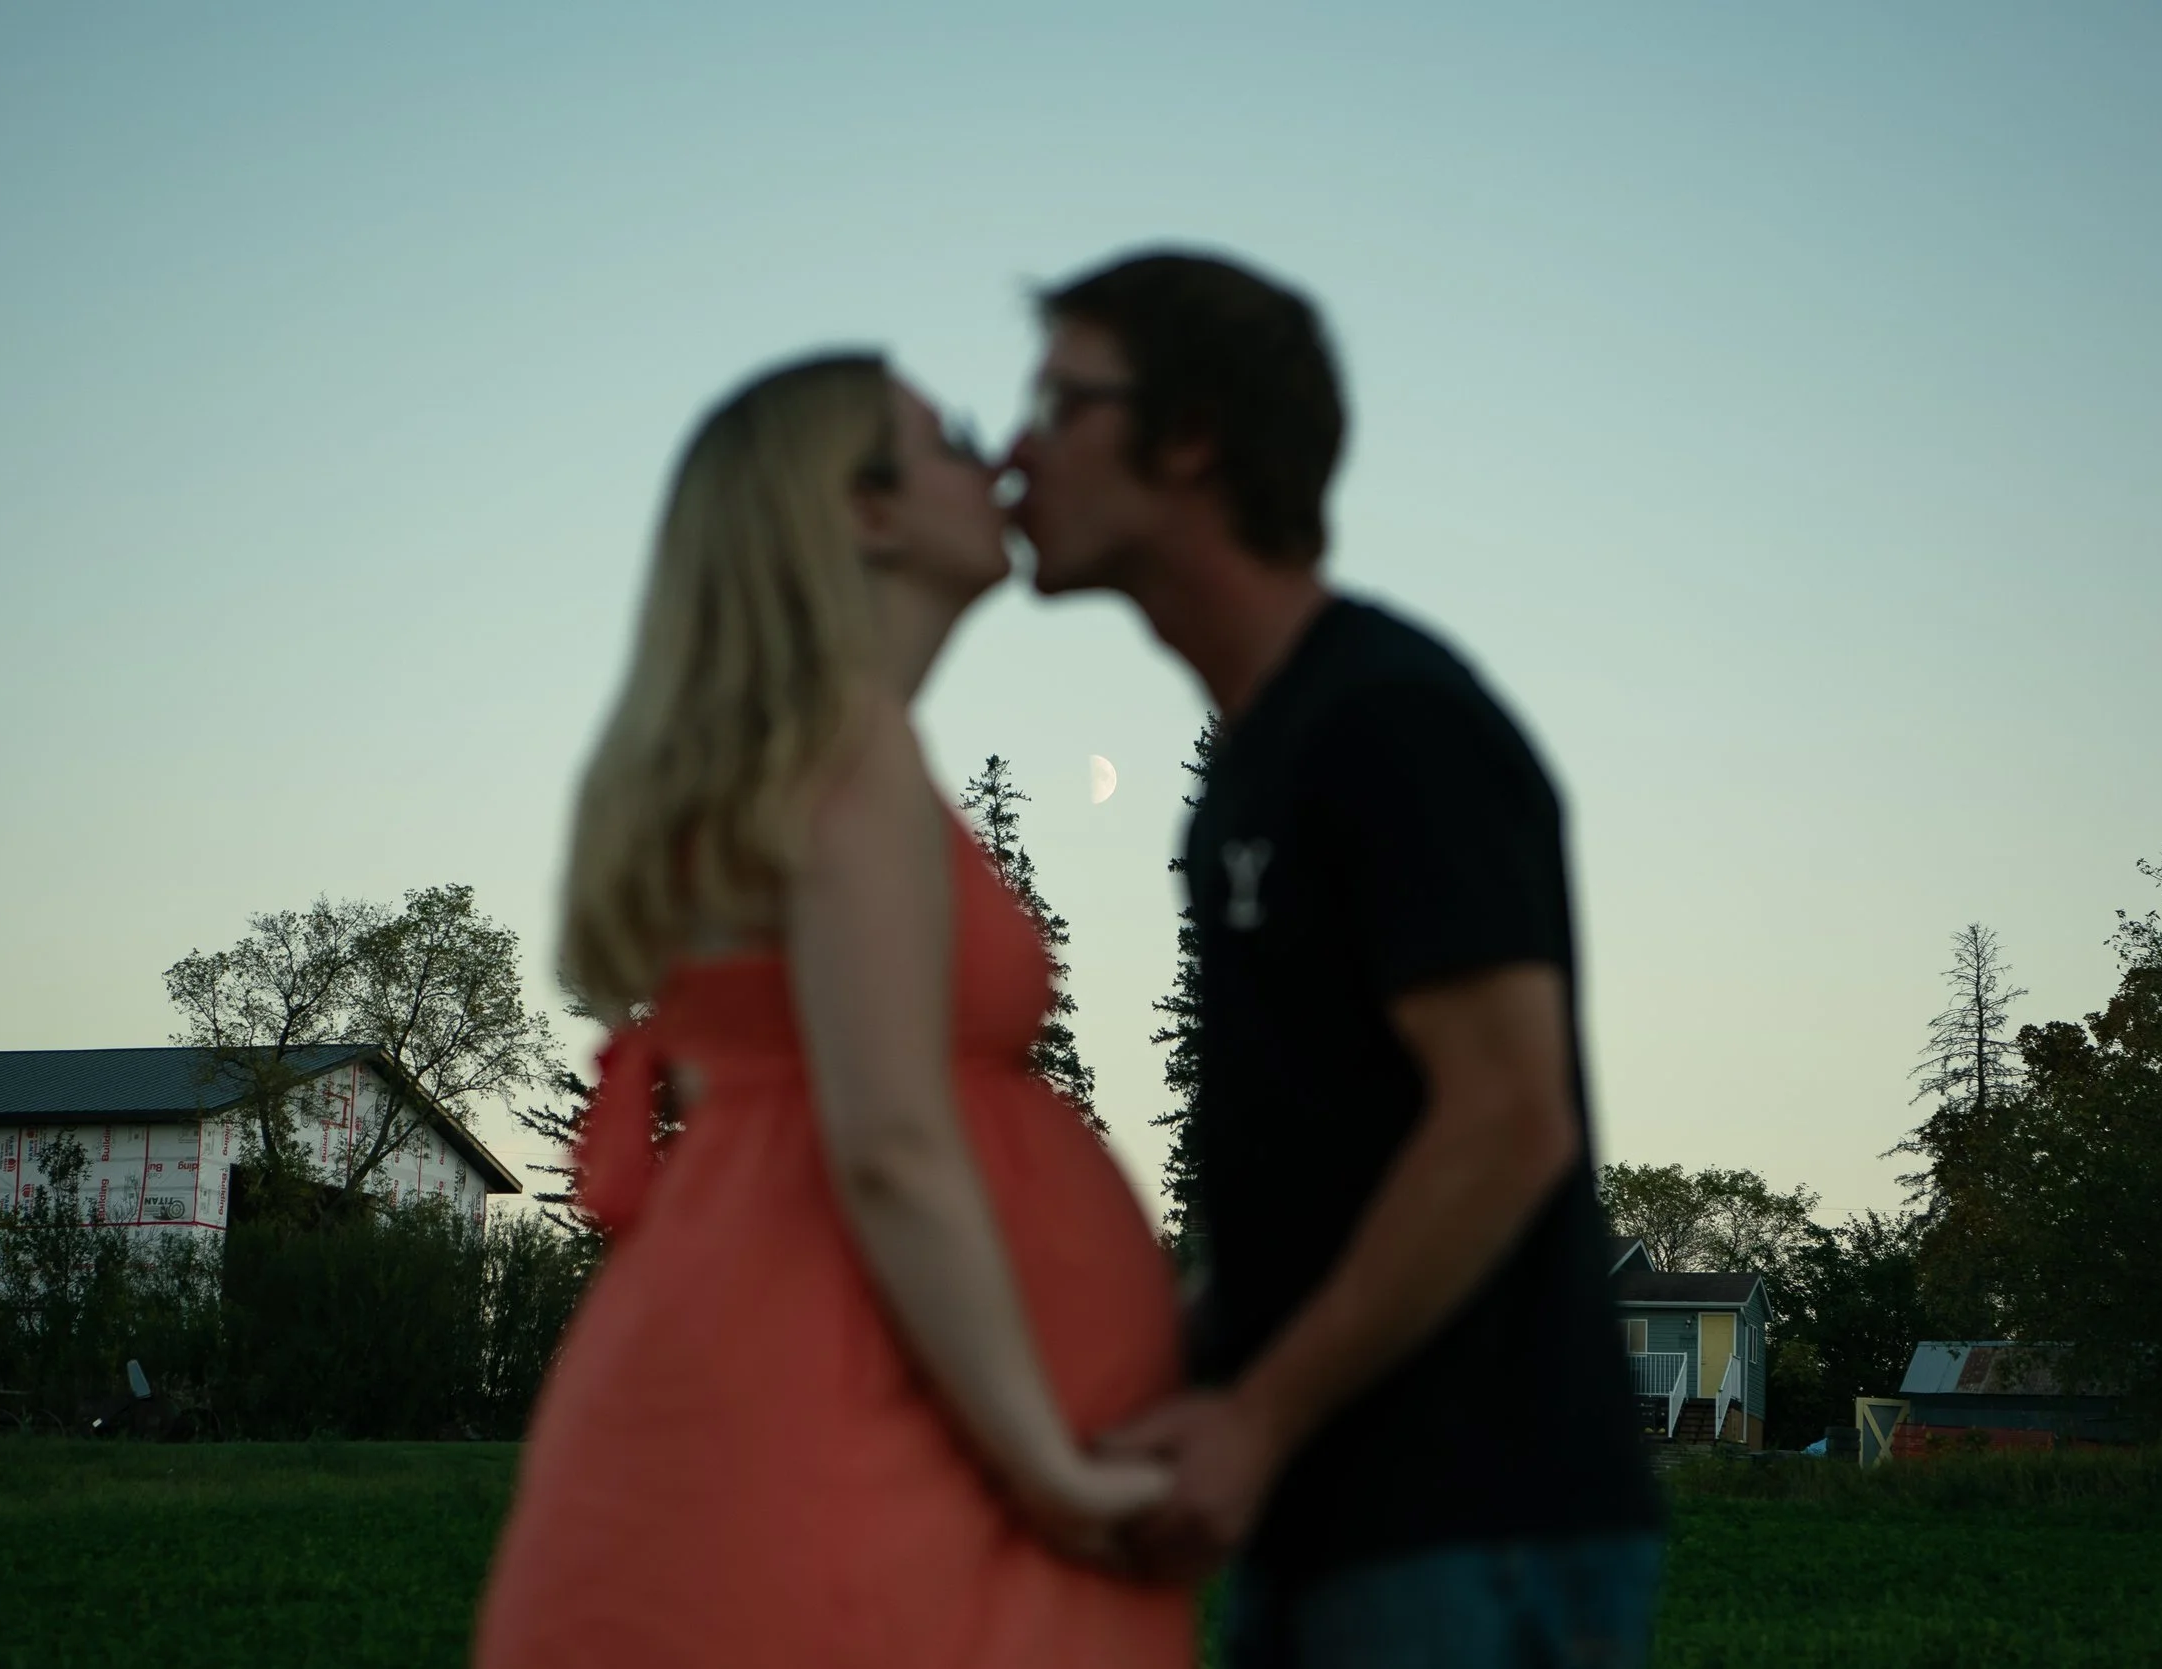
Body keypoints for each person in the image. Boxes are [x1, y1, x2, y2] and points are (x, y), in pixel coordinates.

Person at [476, 352, 1191, 1668]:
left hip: (796, 1383)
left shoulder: (792, 759)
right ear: (865, 512)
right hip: (844, 1425)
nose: (998, 464)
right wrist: (1048, 1463)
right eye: (952, 438)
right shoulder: (849, 756)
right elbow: (890, 1145)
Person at [1006, 253, 1665, 1668]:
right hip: (1330, 1532)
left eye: (1060, 403)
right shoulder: (1249, 771)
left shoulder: (1395, 725)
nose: (1016, 449)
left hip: (1470, 1533)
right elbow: (1311, 1183)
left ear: (1190, 438)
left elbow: (1508, 1116)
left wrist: (1258, 1419)